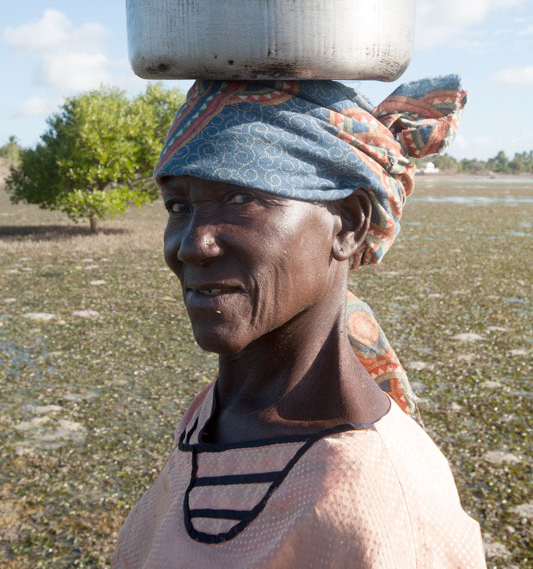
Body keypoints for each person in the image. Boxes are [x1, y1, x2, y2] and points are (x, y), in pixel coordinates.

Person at [111, 76, 486, 568]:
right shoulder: (212, 415)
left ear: (349, 225)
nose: (190, 244)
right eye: (179, 206)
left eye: (241, 199)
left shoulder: (385, 505)